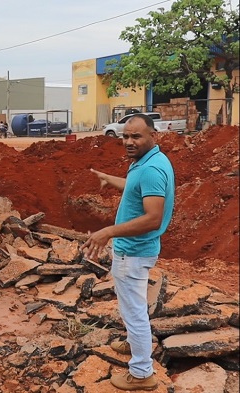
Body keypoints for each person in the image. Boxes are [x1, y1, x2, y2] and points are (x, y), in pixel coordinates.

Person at [82, 113, 174, 391]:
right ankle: (135, 344)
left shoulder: (150, 169)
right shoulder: (150, 160)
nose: (129, 142)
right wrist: (110, 179)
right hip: (136, 250)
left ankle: (142, 373)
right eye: (125, 136)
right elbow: (137, 189)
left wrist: (108, 231)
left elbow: (152, 218)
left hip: (133, 253)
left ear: (152, 136)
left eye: (136, 136)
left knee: (133, 313)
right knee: (133, 308)